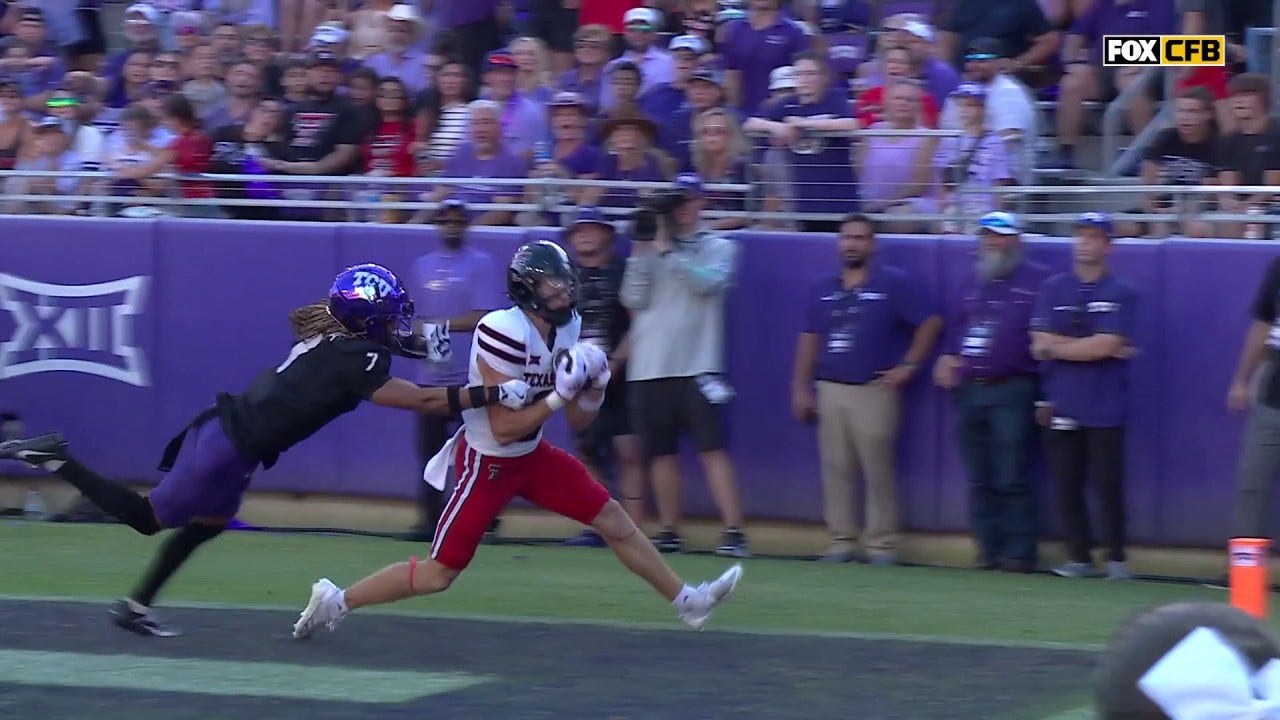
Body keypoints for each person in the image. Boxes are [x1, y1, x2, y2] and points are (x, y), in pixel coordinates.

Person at [0, 263, 533, 638]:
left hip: (236, 444)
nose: (398, 321)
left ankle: (135, 607)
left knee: (207, 525)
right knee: (148, 518)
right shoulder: (356, 357)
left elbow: (417, 336)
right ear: (366, 320)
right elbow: (419, 400)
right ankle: (57, 458)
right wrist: (494, 390)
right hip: (228, 446)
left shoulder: (340, 338)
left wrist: (492, 324)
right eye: (389, 313)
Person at [290, 241, 744, 639]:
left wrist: (596, 388)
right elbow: (505, 427)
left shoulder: (567, 325)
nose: (563, 291)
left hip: (531, 455)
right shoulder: (501, 331)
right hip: (487, 462)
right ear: (528, 290)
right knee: (438, 573)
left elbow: (580, 422)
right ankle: (337, 601)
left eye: (564, 282)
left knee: (612, 518)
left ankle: (689, 602)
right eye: (552, 284)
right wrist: (557, 399)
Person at [1031, 212, 1139, 580]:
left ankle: (1117, 560)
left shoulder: (1121, 291)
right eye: (1080, 235)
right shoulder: (1054, 288)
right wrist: (1090, 347)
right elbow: (1039, 343)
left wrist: (1064, 347)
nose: (1084, 242)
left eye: (1093, 236)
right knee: (1066, 482)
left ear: (1108, 245)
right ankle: (1079, 556)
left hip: (1106, 403)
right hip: (1063, 399)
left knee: (1107, 484)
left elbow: (1106, 344)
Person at [563, 207, 646, 547]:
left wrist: (616, 362)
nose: (584, 235)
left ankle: (634, 528)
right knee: (587, 451)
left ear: (608, 234)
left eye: (592, 229)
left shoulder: (622, 272)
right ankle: (598, 527)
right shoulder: (566, 277)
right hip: (580, 377)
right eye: (578, 230)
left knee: (629, 450)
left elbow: (638, 321)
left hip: (621, 375)